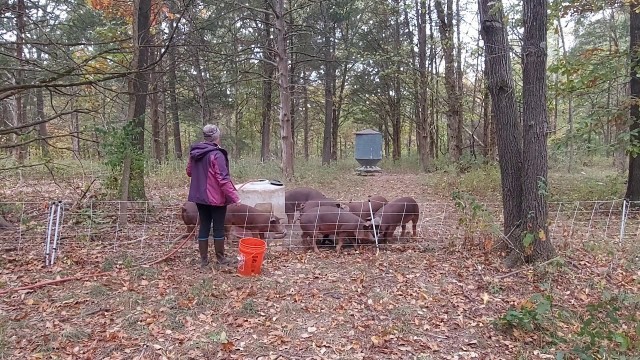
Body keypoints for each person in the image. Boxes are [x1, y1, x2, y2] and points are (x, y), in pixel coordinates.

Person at [186, 124, 240, 268]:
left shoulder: (195, 153)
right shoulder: (217, 154)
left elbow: (189, 172)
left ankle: (204, 261)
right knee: (218, 227)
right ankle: (220, 259)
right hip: (216, 198)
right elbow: (223, 179)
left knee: (204, 225)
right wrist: (235, 197)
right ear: (217, 137)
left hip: (199, 197)